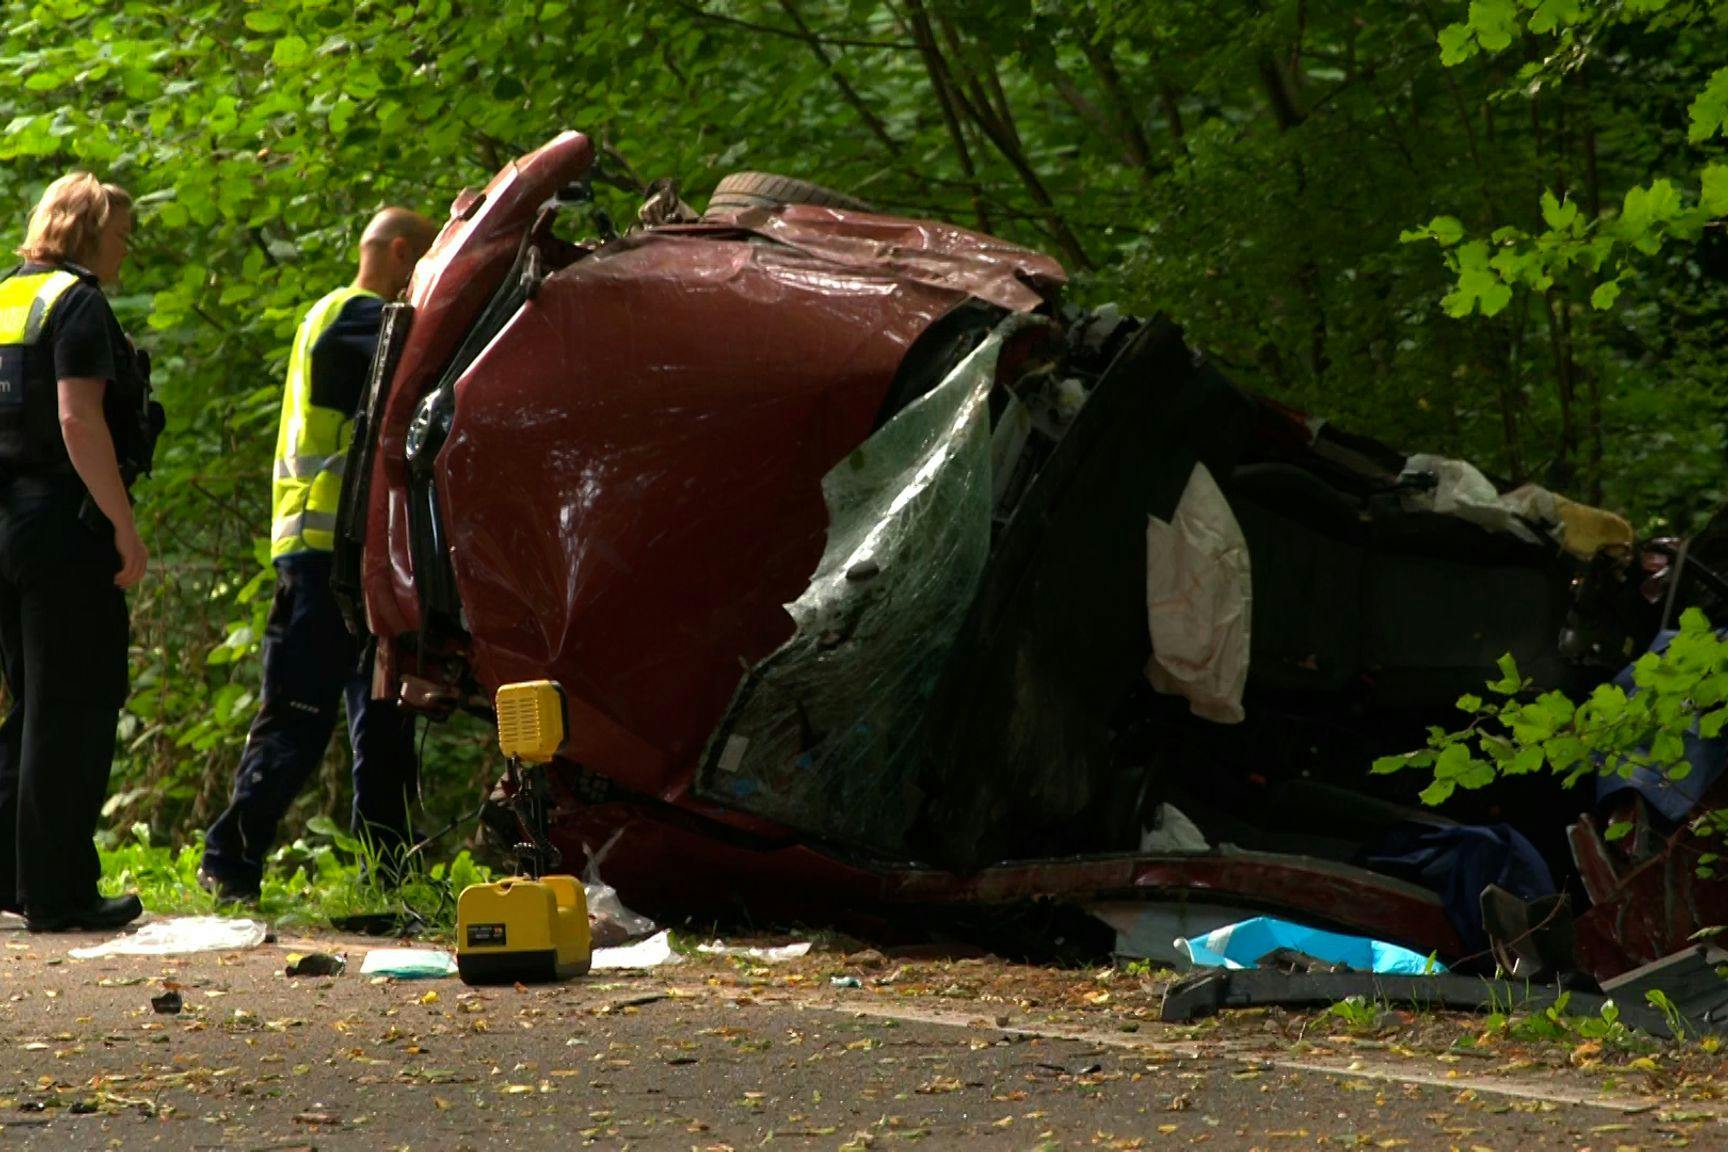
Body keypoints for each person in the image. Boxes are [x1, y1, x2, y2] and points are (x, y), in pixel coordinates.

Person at [200, 208, 439, 902]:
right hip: (320, 555)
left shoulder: (342, 320)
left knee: (384, 717)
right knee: (301, 717)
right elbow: (432, 359)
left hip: (351, 557)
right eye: (424, 267)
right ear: (400, 254)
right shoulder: (356, 319)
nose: (424, 284)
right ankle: (228, 861)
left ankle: (388, 877)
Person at [0, 172, 162, 931]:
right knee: (71, 708)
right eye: (121, 233)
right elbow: (79, 420)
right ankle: (59, 894)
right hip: (63, 525)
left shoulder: (7, 296)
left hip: (4, 528)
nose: (125, 249)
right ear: (89, 230)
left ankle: (14, 876)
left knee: (31, 704)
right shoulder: (80, 303)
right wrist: (122, 526)